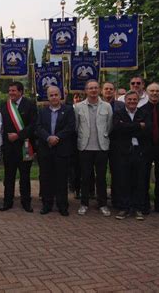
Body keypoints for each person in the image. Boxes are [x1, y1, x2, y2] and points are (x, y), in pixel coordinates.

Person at [74, 80, 113, 217]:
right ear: (86, 90)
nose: (93, 90)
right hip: (84, 147)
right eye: (90, 88)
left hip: (102, 147)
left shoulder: (107, 106)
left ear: (99, 89)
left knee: (101, 177)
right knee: (85, 177)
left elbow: (109, 126)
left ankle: (102, 204)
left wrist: (103, 137)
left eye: (96, 88)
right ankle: (84, 204)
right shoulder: (78, 107)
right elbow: (76, 127)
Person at [36, 86, 75, 216]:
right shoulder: (42, 111)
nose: (54, 97)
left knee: (61, 179)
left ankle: (62, 205)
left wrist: (57, 137)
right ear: (48, 97)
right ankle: (47, 204)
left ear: (60, 96)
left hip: (62, 149)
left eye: (56, 95)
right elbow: (38, 127)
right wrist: (48, 137)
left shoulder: (68, 110)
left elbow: (71, 127)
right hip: (46, 150)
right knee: (46, 178)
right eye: (51, 95)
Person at [112, 91, 151, 220]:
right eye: (129, 100)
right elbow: (118, 129)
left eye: (135, 99)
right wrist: (138, 126)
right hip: (124, 152)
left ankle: (138, 208)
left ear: (138, 100)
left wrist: (128, 127)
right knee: (124, 180)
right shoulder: (118, 113)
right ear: (125, 101)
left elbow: (147, 131)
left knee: (139, 180)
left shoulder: (144, 113)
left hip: (139, 152)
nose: (132, 102)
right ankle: (124, 207)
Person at [0, 81, 38, 212]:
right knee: (9, 177)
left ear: (20, 92)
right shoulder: (4, 106)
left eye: (14, 91)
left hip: (24, 147)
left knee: (25, 177)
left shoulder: (30, 105)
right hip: (9, 148)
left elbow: (33, 125)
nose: (11, 93)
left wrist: (19, 135)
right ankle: (7, 202)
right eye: (10, 91)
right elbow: (0, 126)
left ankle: (26, 202)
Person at [139, 82, 159, 215]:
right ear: (147, 92)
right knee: (144, 177)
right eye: (152, 91)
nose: (154, 93)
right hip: (146, 149)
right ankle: (145, 204)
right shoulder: (141, 110)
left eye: (157, 91)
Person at [101, 82, 125, 209]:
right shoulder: (97, 104)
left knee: (117, 172)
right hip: (101, 142)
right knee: (101, 172)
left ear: (114, 91)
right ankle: (102, 200)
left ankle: (116, 199)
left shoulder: (121, 105)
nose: (108, 91)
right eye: (106, 89)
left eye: (111, 89)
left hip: (117, 143)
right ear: (102, 91)